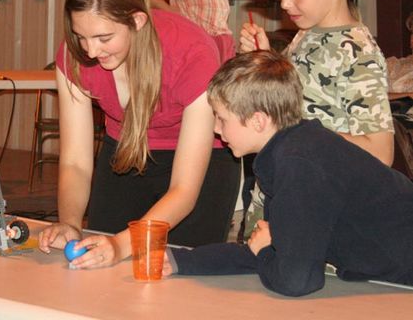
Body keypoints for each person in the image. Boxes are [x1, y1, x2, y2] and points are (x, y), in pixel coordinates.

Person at [38, 0, 240, 268]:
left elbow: (183, 191)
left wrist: (120, 245)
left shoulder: (192, 52)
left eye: (104, 38)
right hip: (127, 152)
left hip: (200, 163)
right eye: (82, 36)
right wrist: (70, 222)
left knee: (178, 275)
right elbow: (76, 161)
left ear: (138, 21)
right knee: (100, 263)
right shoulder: (75, 55)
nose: (91, 51)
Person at [164, 50, 413, 297]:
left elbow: (297, 280)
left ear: (258, 121)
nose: (216, 130)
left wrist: (264, 251)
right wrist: (179, 261)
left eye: (222, 118)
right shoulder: (291, 149)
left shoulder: (298, 165)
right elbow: (270, 248)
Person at [239, 0, 394, 166]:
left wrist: (294, 131)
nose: (285, 3)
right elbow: (301, 93)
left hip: (317, 195)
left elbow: (380, 153)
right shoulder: (308, 30)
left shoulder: (358, 55)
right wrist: (267, 58)